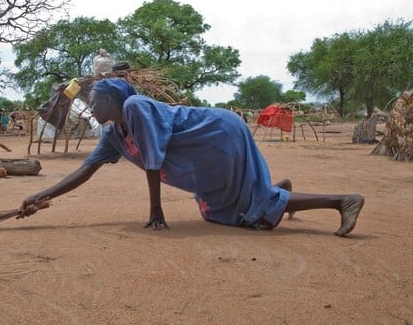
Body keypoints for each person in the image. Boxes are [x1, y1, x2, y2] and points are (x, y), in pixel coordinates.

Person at [20, 78, 365, 236]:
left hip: (217, 135)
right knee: (220, 214)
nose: (90, 107)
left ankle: (342, 201)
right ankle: (267, 188)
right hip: (207, 156)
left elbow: (153, 159)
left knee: (252, 213)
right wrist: (40, 195)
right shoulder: (114, 134)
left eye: (95, 100)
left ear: (112, 100)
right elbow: (85, 171)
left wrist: (156, 210)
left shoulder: (134, 106)